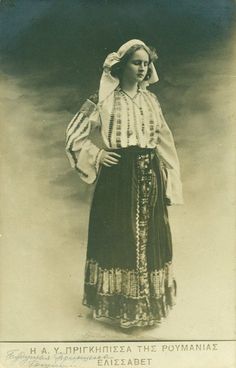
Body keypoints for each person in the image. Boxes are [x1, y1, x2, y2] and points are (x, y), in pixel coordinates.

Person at [65, 39, 183, 329]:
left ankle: (148, 307)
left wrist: (171, 179)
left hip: (150, 176)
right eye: (136, 62)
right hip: (118, 179)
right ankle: (122, 309)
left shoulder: (151, 101)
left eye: (146, 63)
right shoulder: (102, 99)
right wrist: (97, 153)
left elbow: (164, 141)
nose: (142, 69)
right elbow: (74, 134)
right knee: (120, 239)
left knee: (150, 240)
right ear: (122, 65)